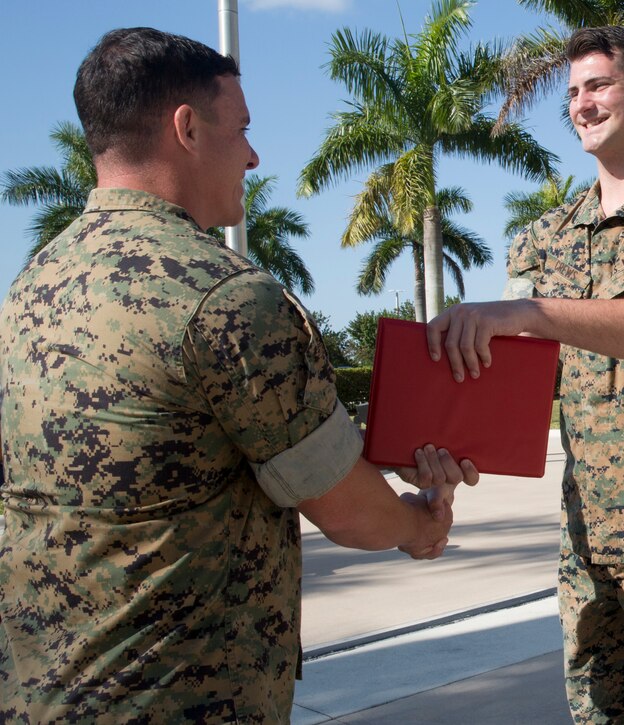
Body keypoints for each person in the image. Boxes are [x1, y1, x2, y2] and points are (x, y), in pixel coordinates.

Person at [0, 28, 477, 722]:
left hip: (38, 694)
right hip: (177, 697)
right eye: (243, 130)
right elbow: (345, 509)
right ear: (187, 128)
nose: (253, 156)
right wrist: (417, 525)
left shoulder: (32, 287)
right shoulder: (225, 297)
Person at [425, 26, 624, 723]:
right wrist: (441, 460)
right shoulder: (543, 237)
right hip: (590, 539)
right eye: (573, 92)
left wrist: (532, 312)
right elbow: (505, 379)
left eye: (598, 85)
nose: (581, 103)